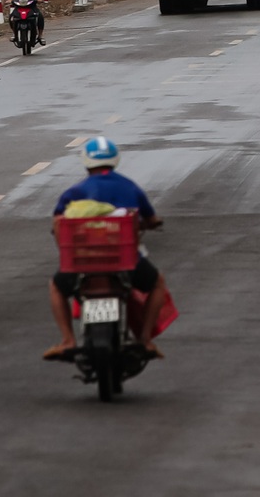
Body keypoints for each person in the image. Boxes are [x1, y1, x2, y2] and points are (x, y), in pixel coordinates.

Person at [44, 137, 174, 361]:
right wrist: (152, 223)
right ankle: (145, 340)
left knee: (56, 287)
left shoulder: (74, 192)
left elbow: (58, 221)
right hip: (124, 259)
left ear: (86, 162)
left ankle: (68, 340)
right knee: (156, 283)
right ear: (115, 160)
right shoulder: (129, 186)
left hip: (82, 261)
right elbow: (150, 218)